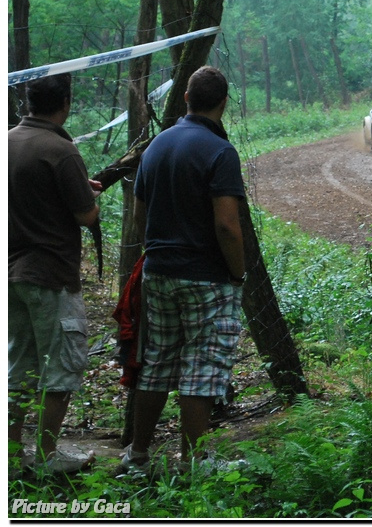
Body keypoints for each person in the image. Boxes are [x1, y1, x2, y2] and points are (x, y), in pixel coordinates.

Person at [121, 65, 246, 474]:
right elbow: (227, 224)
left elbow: (139, 213)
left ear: (187, 99)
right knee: (203, 368)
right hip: (206, 277)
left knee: (157, 362)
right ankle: (195, 463)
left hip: (158, 271)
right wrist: (238, 272)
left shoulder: (157, 145)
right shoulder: (220, 151)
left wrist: (156, 251)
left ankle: (137, 456)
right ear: (223, 104)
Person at [9, 73, 101, 475]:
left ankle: (11, 455)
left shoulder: (8, 141)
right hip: (51, 274)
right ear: (64, 102)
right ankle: (47, 457)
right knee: (61, 367)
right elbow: (86, 215)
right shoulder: (61, 150)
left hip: (10, 273)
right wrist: (87, 194)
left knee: (21, 367)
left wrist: (78, 186)